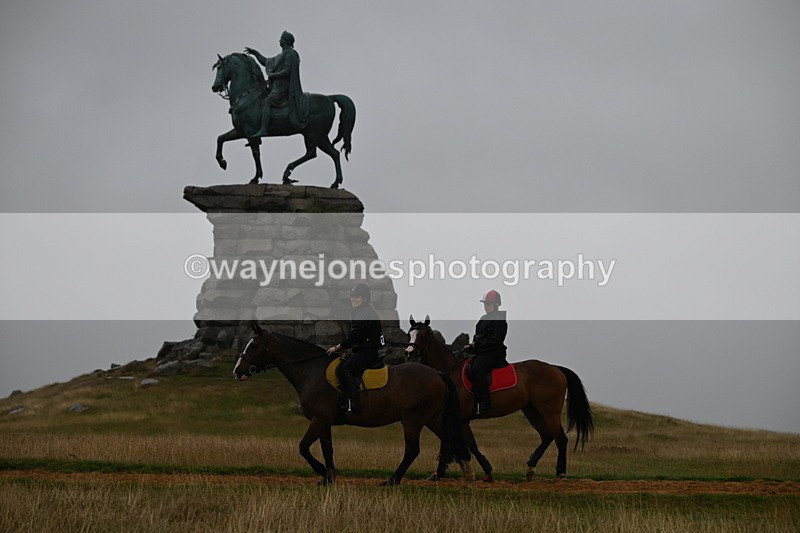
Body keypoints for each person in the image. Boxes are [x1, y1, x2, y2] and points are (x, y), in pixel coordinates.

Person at [326, 283, 384, 413]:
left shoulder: (364, 313)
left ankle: (354, 403)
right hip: (363, 350)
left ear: (364, 299)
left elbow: (354, 337)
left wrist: (337, 347)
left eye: (357, 297)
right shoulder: (361, 311)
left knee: (345, 369)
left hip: (368, 352)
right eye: (352, 296)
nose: (353, 299)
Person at [244, 30, 308, 136]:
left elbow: (287, 71)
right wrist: (255, 53)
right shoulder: (280, 56)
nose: (279, 40)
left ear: (286, 41)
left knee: (267, 102)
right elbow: (266, 61)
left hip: (284, 88)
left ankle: (264, 129)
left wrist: (273, 75)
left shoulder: (291, 54)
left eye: (281, 38)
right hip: (276, 87)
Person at [463, 290, 508, 415]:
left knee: (477, 369)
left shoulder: (499, 319)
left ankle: (484, 404)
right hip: (483, 352)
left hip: (494, 353)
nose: (486, 306)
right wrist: (472, 346)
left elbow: (496, 340)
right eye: (485, 304)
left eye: (489, 304)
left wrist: (478, 345)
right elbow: (478, 337)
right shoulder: (483, 319)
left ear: (496, 304)